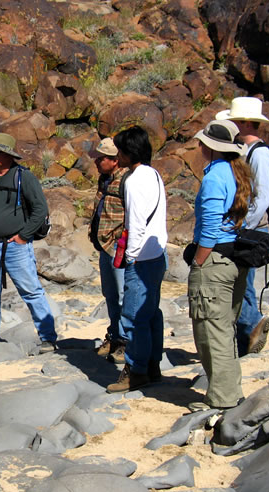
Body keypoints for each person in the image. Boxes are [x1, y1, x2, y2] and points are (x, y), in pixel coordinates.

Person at [186, 119, 253, 411]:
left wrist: (199, 262)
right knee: (223, 329)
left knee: (211, 332)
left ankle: (223, 400)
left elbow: (211, 226)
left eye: (203, 143)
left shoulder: (214, 176)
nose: (199, 146)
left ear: (212, 148)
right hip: (234, 259)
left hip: (214, 262)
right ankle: (229, 393)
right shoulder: (236, 172)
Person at [0, 132, 58, 353]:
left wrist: (23, 236)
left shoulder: (24, 177)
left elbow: (40, 210)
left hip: (15, 247)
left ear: (9, 156)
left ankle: (48, 337)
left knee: (30, 290)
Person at [106, 126, 168, 393]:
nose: (117, 156)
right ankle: (152, 365)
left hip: (141, 258)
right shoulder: (153, 174)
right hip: (156, 254)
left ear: (130, 152)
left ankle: (136, 370)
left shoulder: (132, 180)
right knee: (151, 313)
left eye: (120, 150)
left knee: (133, 317)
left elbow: (135, 223)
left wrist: (130, 257)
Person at [216, 97, 269, 356]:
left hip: (250, 228)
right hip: (245, 226)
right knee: (241, 281)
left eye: (235, 121)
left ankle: (253, 324)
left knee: (243, 281)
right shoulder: (246, 151)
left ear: (246, 123)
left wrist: (244, 225)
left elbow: (263, 196)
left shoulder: (259, 153)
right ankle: (246, 337)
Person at [88, 138, 128, 364]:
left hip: (117, 246)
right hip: (104, 245)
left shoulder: (126, 180)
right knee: (110, 295)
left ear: (114, 160)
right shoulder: (104, 179)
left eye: (100, 158)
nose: (96, 161)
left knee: (122, 295)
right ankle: (114, 335)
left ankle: (125, 341)